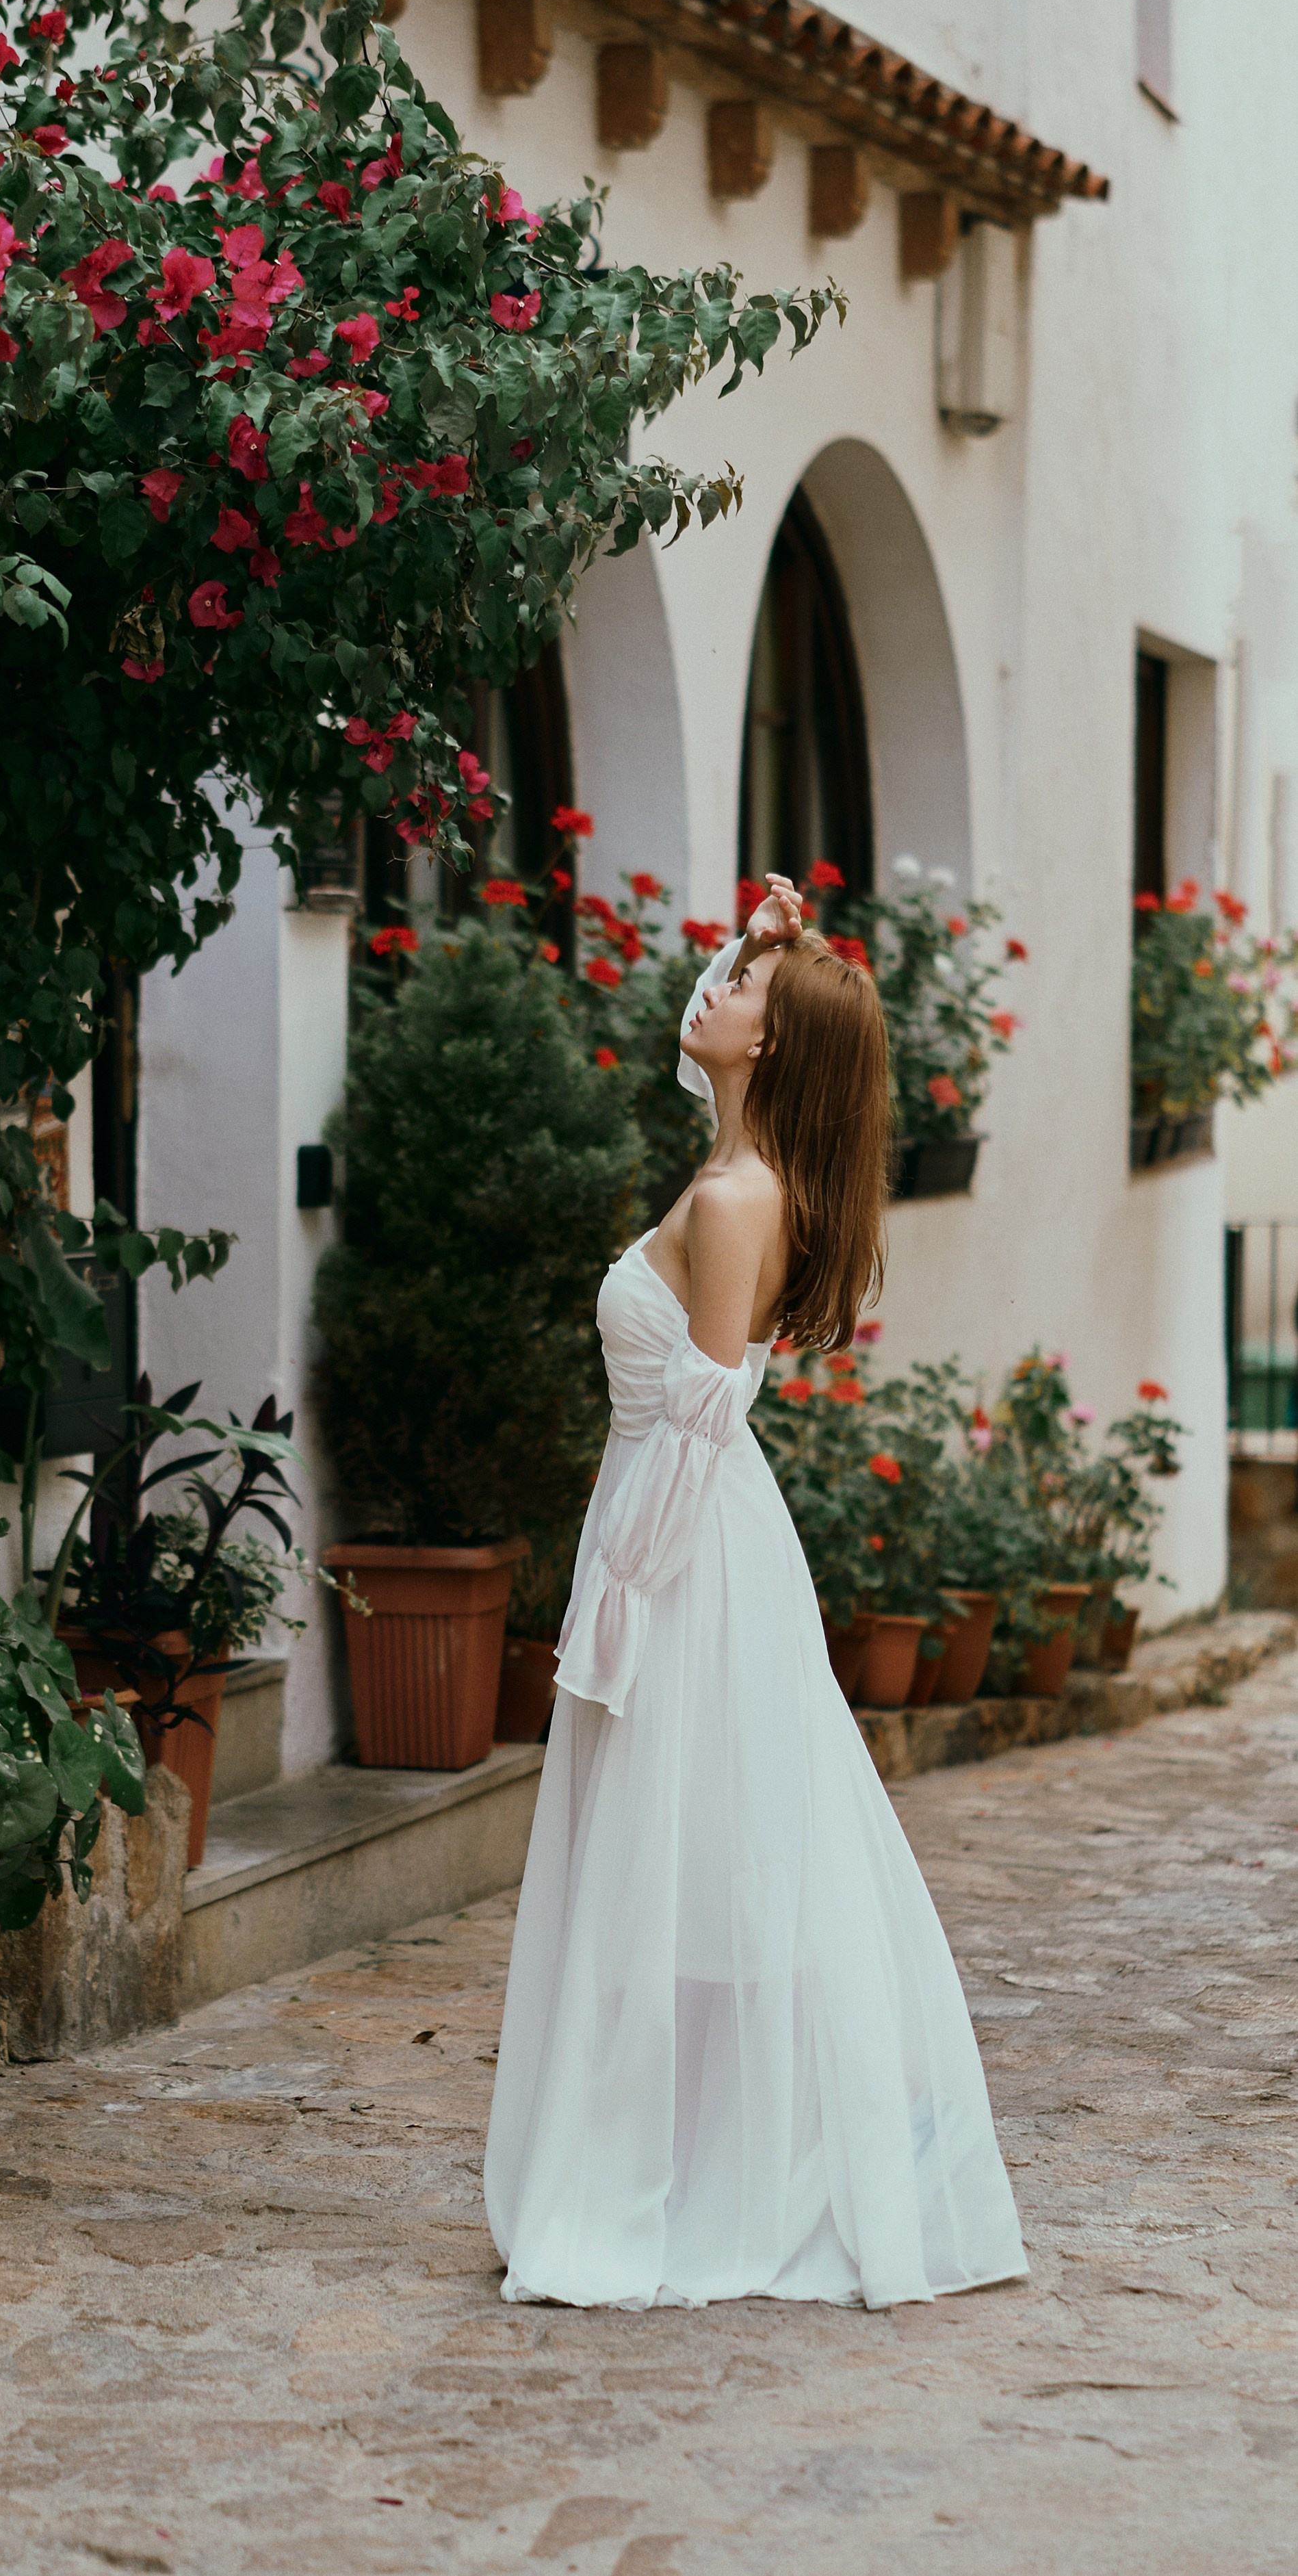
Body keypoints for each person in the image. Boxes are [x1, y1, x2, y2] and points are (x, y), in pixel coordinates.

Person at [483, 873, 1026, 2311]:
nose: (704, 993)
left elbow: (697, 1420)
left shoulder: (733, 1202)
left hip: (685, 1550)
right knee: (690, 1864)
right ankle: (703, 2151)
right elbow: (696, 1030)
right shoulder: (736, 1169)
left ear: (770, 1049)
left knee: (688, 1871)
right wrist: (766, 944)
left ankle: (700, 2173)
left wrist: (618, 1597)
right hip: (686, 1532)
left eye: (735, 990)